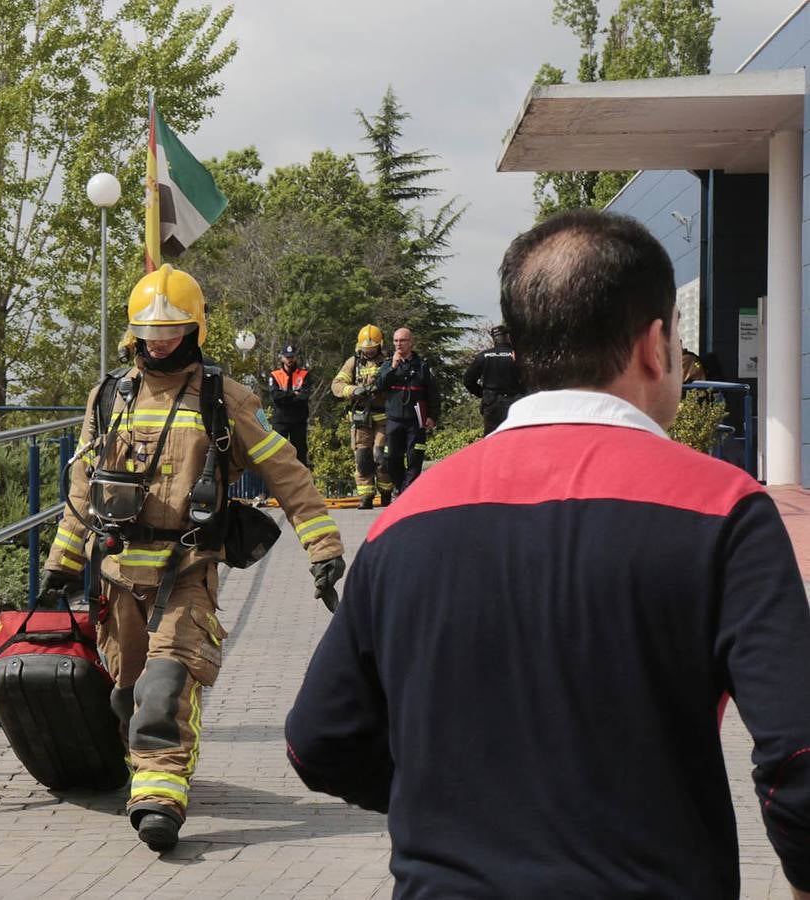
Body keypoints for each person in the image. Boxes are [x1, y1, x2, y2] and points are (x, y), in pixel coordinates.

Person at [285, 209, 810, 898]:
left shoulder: (405, 520)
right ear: (655, 345)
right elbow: (798, 759)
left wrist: (457, 804)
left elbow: (318, 740)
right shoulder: (723, 509)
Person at [42, 265, 345, 853]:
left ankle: (160, 799)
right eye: (148, 332)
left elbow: (286, 472)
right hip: (118, 573)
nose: (158, 342)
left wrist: (323, 547)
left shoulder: (222, 398)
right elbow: (83, 485)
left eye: (170, 330)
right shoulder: (109, 396)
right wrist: (64, 559)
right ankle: (147, 771)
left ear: (193, 329)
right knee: (129, 693)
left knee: (167, 683)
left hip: (186, 568)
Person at [331, 324, 392, 508]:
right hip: (361, 419)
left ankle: (386, 493)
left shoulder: (388, 361)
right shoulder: (353, 362)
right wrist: (354, 390)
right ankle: (365, 496)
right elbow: (336, 385)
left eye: (373, 348)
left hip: (383, 418)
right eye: (366, 348)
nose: (369, 351)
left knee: (381, 456)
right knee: (363, 458)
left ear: (380, 345)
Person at [375, 327, 438, 494]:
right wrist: (392, 367)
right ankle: (403, 489)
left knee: (414, 458)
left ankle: (406, 493)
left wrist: (432, 416)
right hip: (394, 420)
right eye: (396, 341)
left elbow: (433, 394)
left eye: (402, 340)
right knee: (390, 458)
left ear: (411, 342)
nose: (398, 344)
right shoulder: (388, 364)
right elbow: (380, 385)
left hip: (416, 421)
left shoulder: (422, 366)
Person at [461, 323, 523, 435]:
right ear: (508, 337)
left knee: (492, 437)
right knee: (515, 436)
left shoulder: (483, 356)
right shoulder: (517, 355)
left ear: (494, 338)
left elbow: (468, 381)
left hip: (491, 404)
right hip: (515, 402)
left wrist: (483, 394)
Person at [268, 344, 313, 467]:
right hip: (280, 420)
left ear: (295, 357)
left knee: (300, 452)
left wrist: (285, 397)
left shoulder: (304, 374)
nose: (290, 360)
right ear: (282, 358)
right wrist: (293, 394)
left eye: (292, 357)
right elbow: (275, 396)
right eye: (287, 357)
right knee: (277, 451)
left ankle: (300, 477)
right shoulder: (275, 375)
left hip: (298, 420)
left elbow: (304, 397)